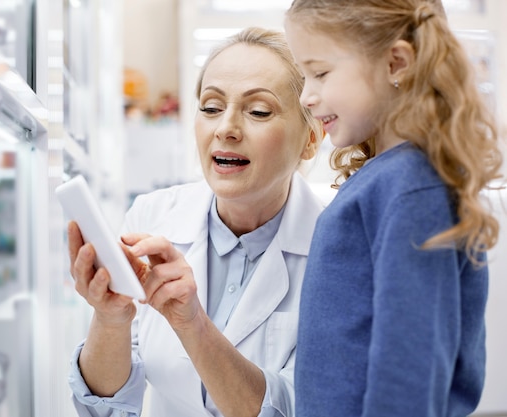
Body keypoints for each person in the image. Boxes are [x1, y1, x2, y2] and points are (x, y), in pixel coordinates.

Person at [67, 27, 324, 417]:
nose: (225, 129)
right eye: (210, 107)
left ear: (312, 137)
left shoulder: (339, 240)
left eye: (257, 111)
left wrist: (194, 326)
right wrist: (111, 319)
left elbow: (301, 408)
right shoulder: (152, 218)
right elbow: (107, 407)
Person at [283, 1, 504, 416]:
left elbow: (409, 373)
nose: (307, 96)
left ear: (396, 63)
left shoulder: (410, 188)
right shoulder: (390, 178)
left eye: (321, 73)